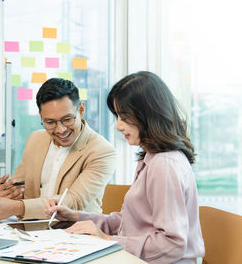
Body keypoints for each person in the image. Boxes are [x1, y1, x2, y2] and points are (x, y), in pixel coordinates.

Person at [46, 71, 205, 264]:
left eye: (123, 116)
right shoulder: (152, 157)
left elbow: (172, 245)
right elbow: (131, 223)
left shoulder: (164, 164)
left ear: (147, 115)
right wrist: (77, 217)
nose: (118, 126)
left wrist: (107, 240)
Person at [0, 78, 116, 220]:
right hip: (31, 230)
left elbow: (73, 202)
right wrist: (4, 194)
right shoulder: (35, 139)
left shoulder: (102, 151)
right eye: (50, 122)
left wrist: (16, 207)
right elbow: (18, 190)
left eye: (67, 119)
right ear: (41, 117)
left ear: (81, 109)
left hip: (76, 232)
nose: (61, 129)